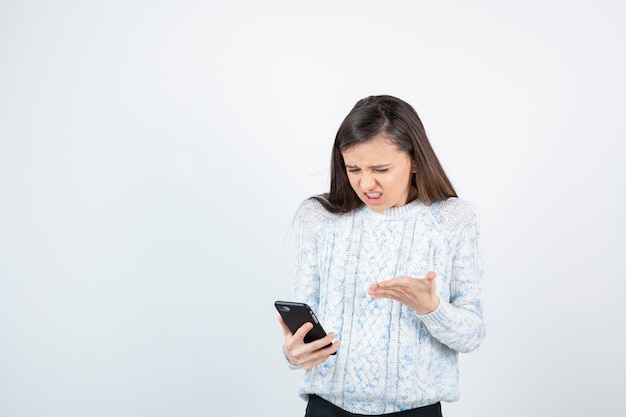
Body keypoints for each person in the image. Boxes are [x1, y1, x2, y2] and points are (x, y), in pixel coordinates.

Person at [278, 95, 485, 417]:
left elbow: (471, 336)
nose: (366, 183)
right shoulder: (318, 218)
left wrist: (430, 308)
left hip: (415, 411)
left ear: (415, 160)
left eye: (381, 169)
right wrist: (295, 355)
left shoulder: (452, 219)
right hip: (327, 408)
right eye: (354, 169)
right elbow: (306, 326)